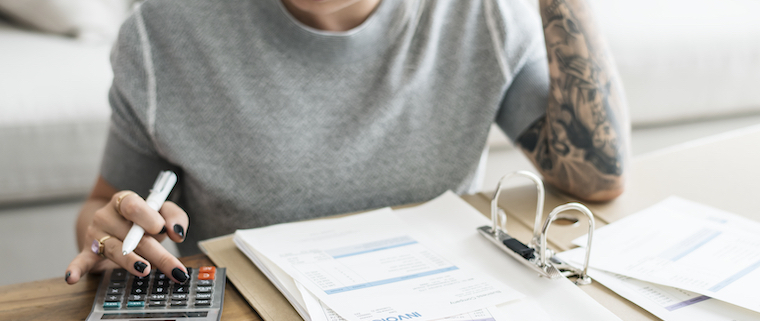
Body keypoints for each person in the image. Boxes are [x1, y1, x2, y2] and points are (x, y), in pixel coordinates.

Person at [65, 0, 629, 285]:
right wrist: (109, 234)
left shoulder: (481, 14)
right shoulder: (165, 30)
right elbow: (105, 204)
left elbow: (596, 176)